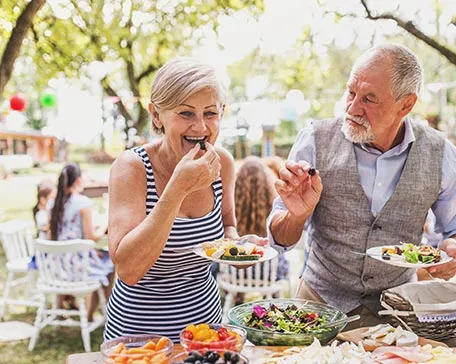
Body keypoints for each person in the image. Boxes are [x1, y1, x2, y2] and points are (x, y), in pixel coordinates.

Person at [267, 43, 456, 331]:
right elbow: (280, 240)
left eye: (369, 98)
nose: (353, 108)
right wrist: (296, 215)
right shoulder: (314, 139)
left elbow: (452, 229)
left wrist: (451, 251)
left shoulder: (440, 152)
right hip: (319, 306)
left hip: (400, 310)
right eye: (351, 92)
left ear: (406, 104)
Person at [104, 58, 267, 342]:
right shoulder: (131, 167)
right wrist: (177, 189)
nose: (201, 127)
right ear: (156, 115)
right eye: (186, 113)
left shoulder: (223, 163)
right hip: (139, 338)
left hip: (205, 332)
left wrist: (238, 247)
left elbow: (228, 226)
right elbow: (128, 269)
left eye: (210, 113)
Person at [50, 162, 114, 321]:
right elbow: (91, 237)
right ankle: (91, 314)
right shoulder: (83, 203)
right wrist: (105, 225)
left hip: (54, 266)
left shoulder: (54, 203)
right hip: (77, 267)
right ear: (78, 181)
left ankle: (59, 310)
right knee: (110, 264)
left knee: (100, 256)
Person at [235, 156, 289, 286]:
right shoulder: (275, 204)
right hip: (272, 272)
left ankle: (238, 296)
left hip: (236, 273)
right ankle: (271, 297)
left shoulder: (231, 204)